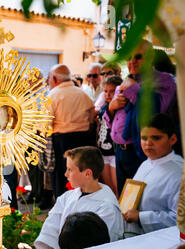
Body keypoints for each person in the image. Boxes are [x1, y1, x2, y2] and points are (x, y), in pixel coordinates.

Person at [103, 40, 177, 195]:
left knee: (143, 199)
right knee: (125, 198)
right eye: (129, 57)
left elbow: (156, 111)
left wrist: (134, 88)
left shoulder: (164, 80)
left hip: (143, 151)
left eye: (138, 57)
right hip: (120, 151)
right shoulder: (125, 80)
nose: (132, 62)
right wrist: (111, 108)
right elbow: (112, 121)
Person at [34, 146, 124, 249]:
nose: (66, 174)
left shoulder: (106, 207)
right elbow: (51, 225)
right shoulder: (68, 197)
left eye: (70, 170)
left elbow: (99, 244)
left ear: (87, 174)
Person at [123, 113, 183, 235]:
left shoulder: (179, 172)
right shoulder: (146, 163)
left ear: (172, 139)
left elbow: (179, 219)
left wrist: (141, 217)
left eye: (156, 138)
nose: (148, 143)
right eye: (144, 138)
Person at [47, 64, 96, 198]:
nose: (48, 81)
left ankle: (64, 210)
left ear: (55, 79)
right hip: (83, 139)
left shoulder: (53, 95)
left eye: (49, 78)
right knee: (81, 176)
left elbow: (45, 124)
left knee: (63, 178)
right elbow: (92, 115)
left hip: (61, 142)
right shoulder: (82, 93)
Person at [97, 76, 123, 197]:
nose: (108, 94)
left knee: (118, 187)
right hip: (103, 150)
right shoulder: (103, 108)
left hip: (114, 152)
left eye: (111, 91)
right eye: (105, 91)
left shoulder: (121, 109)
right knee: (108, 188)